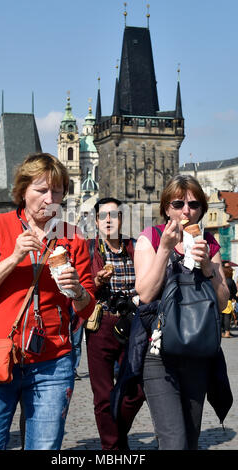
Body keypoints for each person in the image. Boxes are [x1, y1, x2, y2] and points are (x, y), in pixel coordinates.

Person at [0, 152, 95, 450]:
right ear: (23, 191)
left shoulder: (72, 237)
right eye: (41, 190)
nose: (50, 198)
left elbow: (87, 308)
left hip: (53, 363)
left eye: (57, 191)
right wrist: (13, 258)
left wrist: (77, 290)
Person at [134, 174, 229, 450]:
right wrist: (165, 249)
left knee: (189, 439)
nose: (186, 211)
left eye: (194, 205)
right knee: (173, 442)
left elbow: (223, 302)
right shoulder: (150, 238)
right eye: (178, 204)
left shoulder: (208, 243)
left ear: (201, 210)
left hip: (197, 351)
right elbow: (146, 294)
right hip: (159, 353)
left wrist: (209, 269)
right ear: (166, 208)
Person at [85, 197, 145, 450]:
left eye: (114, 215)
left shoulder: (135, 247)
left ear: (122, 219)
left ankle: (116, 435)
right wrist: (96, 281)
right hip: (101, 326)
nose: (108, 220)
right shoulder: (89, 249)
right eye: (103, 216)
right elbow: (80, 287)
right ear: (97, 221)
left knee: (137, 389)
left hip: (133, 324)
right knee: (103, 395)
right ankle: (113, 448)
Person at [221, 264, 238, 337]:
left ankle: (221, 332)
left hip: (220, 300)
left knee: (221, 317)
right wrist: (235, 297)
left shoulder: (221, 280)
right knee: (227, 317)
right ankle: (227, 332)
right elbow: (234, 291)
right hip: (228, 301)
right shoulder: (230, 281)